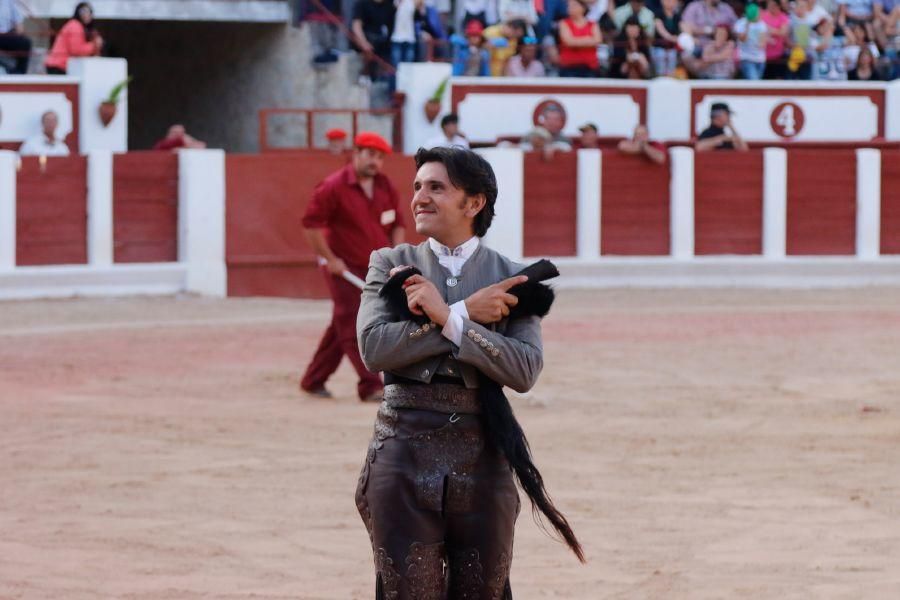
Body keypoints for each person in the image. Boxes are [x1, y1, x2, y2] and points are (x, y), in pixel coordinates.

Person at [355, 146, 583, 599]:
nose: (420, 196)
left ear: (474, 203)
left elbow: (523, 370)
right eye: (418, 186)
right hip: (402, 448)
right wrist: (465, 311)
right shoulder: (389, 261)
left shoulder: (515, 277)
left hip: (485, 451)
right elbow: (374, 348)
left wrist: (447, 318)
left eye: (436, 187)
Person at [300, 132, 405, 402]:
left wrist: (395, 257)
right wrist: (330, 259)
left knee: (341, 326)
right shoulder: (333, 186)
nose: (375, 162)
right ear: (356, 153)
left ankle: (313, 379)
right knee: (353, 322)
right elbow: (311, 225)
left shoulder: (385, 187)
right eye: (370, 154)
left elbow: (398, 225)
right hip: (344, 269)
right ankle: (370, 385)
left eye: (380, 157)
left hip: (376, 267)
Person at [45, 2, 103, 75]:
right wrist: (94, 45)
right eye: (83, 11)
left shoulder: (76, 25)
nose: (86, 14)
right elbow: (77, 50)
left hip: (59, 64)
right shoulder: (75, 26)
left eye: (89, 12)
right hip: (59, 65)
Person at [352, 0, 395, 82]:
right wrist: (364, 43)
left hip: (385, 44)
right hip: (368, 43)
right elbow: (356, 26)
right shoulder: (362, 4)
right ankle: (365, 75)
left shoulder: (390, 4)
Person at [558, 0, 603, 76]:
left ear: (582, 8)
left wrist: (575, 40)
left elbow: (598, 40)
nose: (570, 8)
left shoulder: (592, 24)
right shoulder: (564, 23)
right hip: (569, 68)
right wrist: (589, 39)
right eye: (569, 6)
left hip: (590, 68)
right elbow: (569, 42)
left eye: (573, 5)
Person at [734, 3, 768, 80]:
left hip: (760, 60)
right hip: (747, 59)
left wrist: (762, 42)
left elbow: (762, 43)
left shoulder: (762, 24)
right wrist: (747, 25)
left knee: (756, 86)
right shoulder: (740, 23)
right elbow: (743, 39)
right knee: (754, 83)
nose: (760, 14)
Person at [0, 0, 32, 74]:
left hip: (6, 35)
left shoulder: (8, 2)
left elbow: (19, 24)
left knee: (25, 42)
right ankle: (6, 65)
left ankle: (19, 73)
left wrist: (19, 33)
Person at [652, 0, 682, 76]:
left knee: (672, 55)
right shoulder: (658, 14)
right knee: (661, 55)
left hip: (672, 47)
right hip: (659, 47)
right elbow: (660, 30)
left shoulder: (677, 16)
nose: (671, 2)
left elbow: (682, 28)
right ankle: (660, 77)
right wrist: (672, 38)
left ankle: (671, 77)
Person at [761, 0, 790, 78]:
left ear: (778, 6)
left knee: (778, 80)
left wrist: (768, 29)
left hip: (778, 56)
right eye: (769, 5)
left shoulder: (783, 17)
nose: (770, 7)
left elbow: (783, 32)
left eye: (773, 5)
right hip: (763, 56)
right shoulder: (762, 15)